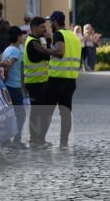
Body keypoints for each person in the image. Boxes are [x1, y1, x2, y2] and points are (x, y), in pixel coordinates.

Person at [40, 10, 82, 150]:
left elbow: (59, 52)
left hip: (57, 79)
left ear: (55, 22)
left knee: (47, 110)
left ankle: (40, 140)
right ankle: (63, 143)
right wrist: (48, 42)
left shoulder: (58, 34)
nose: (49, 24)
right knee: (65, 112)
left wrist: (43, 50)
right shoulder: (73, 36)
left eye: (50, 21)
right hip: (71, 80)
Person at [23, 17, 56, 149]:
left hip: (40, 82)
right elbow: (47, 56)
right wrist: (49, 41)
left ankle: (38, 139)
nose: (45, 29)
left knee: (39, 111)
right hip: (35, 83)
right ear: (35, 27)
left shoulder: (36, 42)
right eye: (42, 27)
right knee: (37, 112)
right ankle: (35, 140)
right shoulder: (32, 43)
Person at [1, 26, 28, 149]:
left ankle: (7, 140)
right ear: (18, 37)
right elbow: (8, 65)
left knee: (10, 114)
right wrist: (5, 77)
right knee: (20, 114)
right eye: (21, 35)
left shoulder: (8, 49)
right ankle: (15, 140)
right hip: (13, 86)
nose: (23, 37)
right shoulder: (15, 51)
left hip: (11, 86)